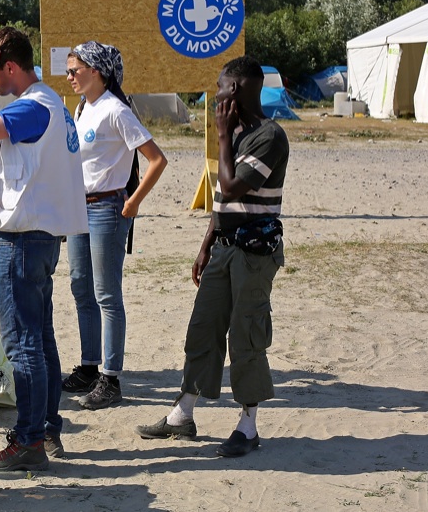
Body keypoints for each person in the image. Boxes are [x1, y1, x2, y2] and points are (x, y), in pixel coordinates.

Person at [136, 55, 288, 458]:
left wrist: (222, 137)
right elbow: (222, 203)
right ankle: (182, 414)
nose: (216, 94)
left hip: (255, 253)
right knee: (203, 328)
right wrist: (206, 244)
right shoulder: (236, 133)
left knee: (246, 333)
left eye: (220, 87)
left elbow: (232, 186)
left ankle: (248, 425)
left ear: (235, 90)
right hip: (224, 247)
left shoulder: (269, 137)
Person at [0, 27, 87, 471]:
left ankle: (29, 440)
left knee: (22, 344)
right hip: (43, 237)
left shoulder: (31, 108)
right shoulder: (53, 103)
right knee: (40, 339)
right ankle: (45, 429)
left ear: (10, 67)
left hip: (23, 238)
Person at [62, 42, 168, 410]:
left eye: (75, 70)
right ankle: (89, 367)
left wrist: (133, 202)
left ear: (97, 71)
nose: (70, 76)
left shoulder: (115, 110)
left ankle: (111, 378)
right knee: (81, 288)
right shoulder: (82, 109)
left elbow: (156, 160)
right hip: (80, 208)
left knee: (107, 293)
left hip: (108, 209)